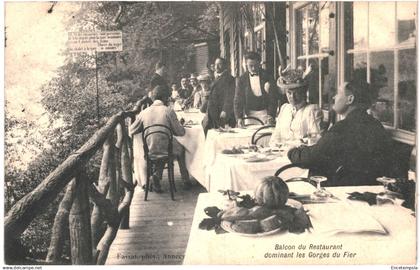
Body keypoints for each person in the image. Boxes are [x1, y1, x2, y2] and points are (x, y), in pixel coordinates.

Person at [287, 81, 393, 186]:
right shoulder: (375, 124)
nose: (334, 97)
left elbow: (311, 158)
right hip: (370, 189)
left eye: (338, 93)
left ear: (350, 99)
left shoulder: (343, 128)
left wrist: (292, 152)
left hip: (342, 191)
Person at [129, 86, 192, 192]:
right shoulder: (168, 111)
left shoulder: (144, 112)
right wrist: (177, 125)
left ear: (153, 98)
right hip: (166, 149)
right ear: (164, 98)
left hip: (149, 149)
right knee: (181, 149)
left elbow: (131, 130)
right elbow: (181, 132)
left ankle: (156, 176)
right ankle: (185, 180)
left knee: (161, 147)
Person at [269, 66, 322, 146]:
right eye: (289, 93)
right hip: (280, 154)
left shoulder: (312, 110)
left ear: (303, 92)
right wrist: (275, 145)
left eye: (296, 93)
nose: (292, 97)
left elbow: (316, 140)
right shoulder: (284, 108)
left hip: (301, 155)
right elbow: (275, 136)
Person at [234, 52, 277, 126]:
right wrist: (239, 118)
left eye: (256, 65)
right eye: (251, 66)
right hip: (249, 116)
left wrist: (271, 115)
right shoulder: (242, 79)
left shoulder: (267, 76)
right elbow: (238, 100)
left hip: (266, 115)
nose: (253, 68)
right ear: (246, 64)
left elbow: (273, 98)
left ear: (259, 64)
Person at [202, 57, 235, 134]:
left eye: (219, 64)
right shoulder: (217, 77)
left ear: (225, 66)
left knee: (220, 133)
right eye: (215, 64)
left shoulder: (229, 78)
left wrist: (225, 110)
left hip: (221, 113)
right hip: (213, 111)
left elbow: (230, 96)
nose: (216, 67)